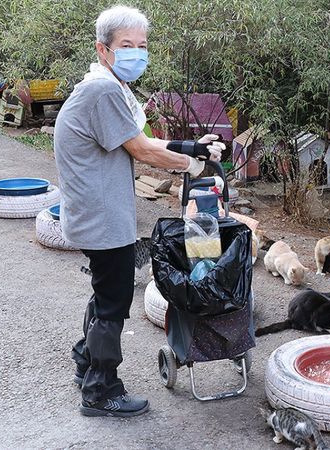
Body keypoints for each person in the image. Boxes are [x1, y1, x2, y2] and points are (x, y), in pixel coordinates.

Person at [53, 5, 223, 417]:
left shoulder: (110, 87)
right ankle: (101, 391)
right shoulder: (103, 91)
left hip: (96, 211)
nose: (136, 53)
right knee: (113, 302)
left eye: (141, 45)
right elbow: (143, 150)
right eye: (126, 45)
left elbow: (141, 140)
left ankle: (85, 361)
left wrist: (192, 147)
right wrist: (193, 164)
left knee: (105, 292)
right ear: (103, 49)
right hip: (102, 216)